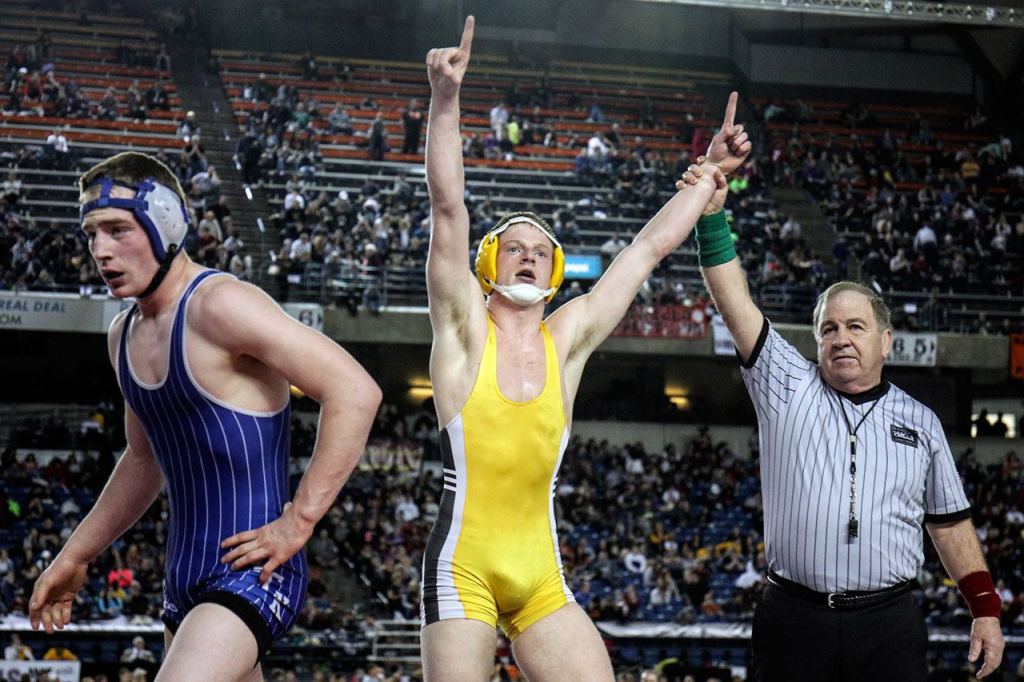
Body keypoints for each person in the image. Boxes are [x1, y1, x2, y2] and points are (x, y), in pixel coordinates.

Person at [420, 17, 741, 681]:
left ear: (556, 271)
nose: (530, 257)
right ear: (488, 263)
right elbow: (449, 209)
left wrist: (708, 177)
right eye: (516, 247)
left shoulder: (566, 338)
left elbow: (647, 249)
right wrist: (446, 100)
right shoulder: (462, 330)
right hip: (463, 567)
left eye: (542, 252)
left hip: (540, 575)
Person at [28, 152, 381, 681]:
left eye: (117, 230)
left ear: (165, 223)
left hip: (253, 575)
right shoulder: (121, 335)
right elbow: (144, 459)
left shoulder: (220, 305)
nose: (100, 251)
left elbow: (355, 390)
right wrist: (74, 555)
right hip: (184, 586)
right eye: (91, 234)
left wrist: (299, 521)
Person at [680, 145, 1005, 680]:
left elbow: (949, 524)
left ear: (886, 341)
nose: (841, 338)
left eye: (855, 327)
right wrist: (712, 214)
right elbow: (734, 300)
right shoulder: (783, 382)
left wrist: (985, 609)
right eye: (829, 328)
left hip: (889, 623)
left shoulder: (921, 422)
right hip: (793, 617)